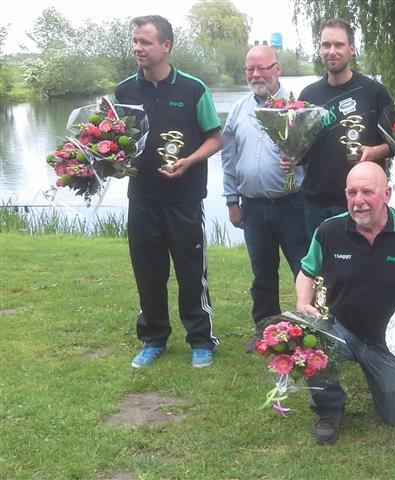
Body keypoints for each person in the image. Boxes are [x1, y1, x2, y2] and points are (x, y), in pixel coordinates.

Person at [295, 162, 395, 444]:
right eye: (352, 192)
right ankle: (329, 410)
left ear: (387, 194)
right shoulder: (329, 230)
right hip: (341, 329)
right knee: (311, 341)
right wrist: (303, 301)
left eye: (367, 192)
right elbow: (307, 271)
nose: (359, 201)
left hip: (392, 340)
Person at [115, 15, 222, 369]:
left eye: (145, 42)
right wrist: (112, 163)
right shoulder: (124, 91)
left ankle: (201, 340)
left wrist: (189, 161)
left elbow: (215, 138)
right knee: (148, 273)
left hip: (184, 198)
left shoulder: (193, 89)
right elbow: (117, 142)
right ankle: (154, 339)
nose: (137, 48)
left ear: (166, 45)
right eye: (135, 41)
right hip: (142, 198)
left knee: (191, 274)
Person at [221, 45, 309, 351]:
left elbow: (313, 155)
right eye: (250, 69)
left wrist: (297, 160)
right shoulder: (238, 110)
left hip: (293, 205)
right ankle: (266, 331)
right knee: (262, 274)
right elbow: (228, 159)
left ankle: (309, 331)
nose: (256, 74)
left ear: (277, 69)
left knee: (303, 270)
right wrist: (231, 200)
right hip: (253, 207)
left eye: (262, 68)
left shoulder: (298, 108)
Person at [294, 18, 395, 239]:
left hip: (362, 202)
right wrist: (289, 153)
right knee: (321, 261)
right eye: (326, 45)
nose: (332, 51)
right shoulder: (308, 96)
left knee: (364, 259)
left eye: (338, 45)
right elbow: (301, 151)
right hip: (316, 203)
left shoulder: (374, 92)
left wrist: (374, 152)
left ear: (352, 48)